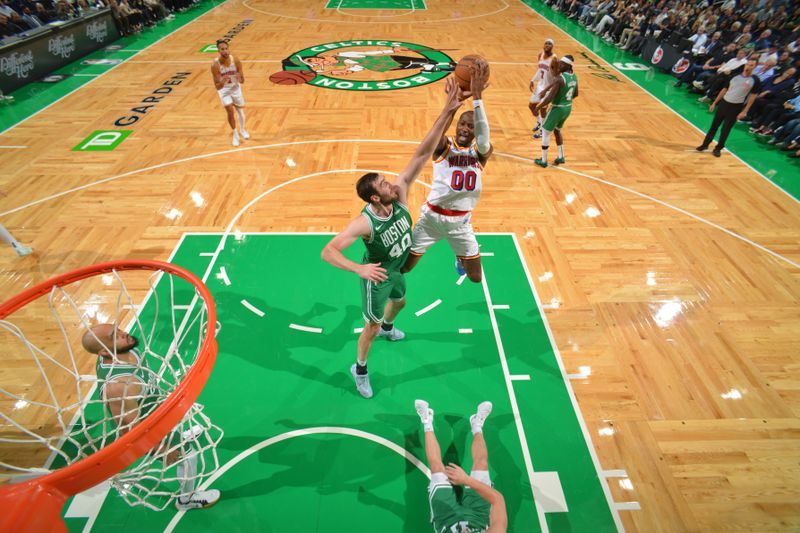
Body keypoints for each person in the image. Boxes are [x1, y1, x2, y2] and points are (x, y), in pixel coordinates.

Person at [321, 79, 466, 399]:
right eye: (384, 185)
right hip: (378, 277)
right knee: (369, 329)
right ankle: (359, 369)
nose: (392, 184)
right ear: (374, 198)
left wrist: (449, 110)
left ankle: (389, 327)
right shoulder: (365, 222)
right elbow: (328, 251)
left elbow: (422, 153)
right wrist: (358, 270)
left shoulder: (398, 198)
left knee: (400, 301)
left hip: (398, 270)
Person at [81, 324, 220, 510]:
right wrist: (160, 448)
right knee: (189, 456)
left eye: (118, 329)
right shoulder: (119, 386)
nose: (124, 334)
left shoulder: (126, 348)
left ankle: (180, 436)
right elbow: (129, 428)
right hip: (147, 425)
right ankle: (187, 499)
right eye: (115, 335)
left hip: (153, 405)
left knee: (178, 423)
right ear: (103, 351)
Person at [401, 59, 492, 283]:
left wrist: (478, 98)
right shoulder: (444, 147)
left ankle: (459, 258)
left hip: (460, 223)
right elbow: (435, 133)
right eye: (462, 124)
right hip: (431, 219)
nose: (465, 128)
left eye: (470, 126)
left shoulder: (481, 152)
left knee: (475, 278)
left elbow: (484, 136)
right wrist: (453, 104)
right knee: (404, 268)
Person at [415, 399, 507, 533]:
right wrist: (467, 480)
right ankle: (476, 425)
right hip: (478, 516)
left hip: (447, 519)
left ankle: (427, 421)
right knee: (481, 463)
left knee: (437, 468)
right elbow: (498, 500)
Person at [696, 59, 760, 157]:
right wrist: (715, 102)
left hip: (736, 107)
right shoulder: (734, 76)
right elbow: (724, 89)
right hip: (724, 104)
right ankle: (705, 145)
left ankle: (718, 148)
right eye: (748, 64)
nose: (748, 66)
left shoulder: (755, 80)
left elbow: (753, 96)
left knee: (725, 129)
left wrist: (745, 111)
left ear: (755, 67)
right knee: (714, 126)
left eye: (751, 65)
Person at [533, 55, 578, 168]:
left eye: (562, 64)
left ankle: (543, 160)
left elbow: (549, 98)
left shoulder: (560, 78)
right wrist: (564, 98)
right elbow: (576, 94)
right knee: (557, 131)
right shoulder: (574, 76)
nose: (559, 65)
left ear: (568, 65)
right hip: (567, 108)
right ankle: (560, 156)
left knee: (545, 132)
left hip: (557, 108)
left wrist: (538, 107)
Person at [211, 39, 248, 147]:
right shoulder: (215, 65)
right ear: (218, 51)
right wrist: (222, 81)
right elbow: (217, 87)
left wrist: (239, 77)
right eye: (222, 49)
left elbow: (243, 81)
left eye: (226, 48)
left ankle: (242, 130)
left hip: (235, 88)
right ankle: (235, 134)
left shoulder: (235, 60)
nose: (225, 51)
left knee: (240, 111)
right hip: (224, 91)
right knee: (230, 111)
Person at [528, 38, 557, 138]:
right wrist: (532, 80)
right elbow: (540, 70)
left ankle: (542, 131)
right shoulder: (540, 55)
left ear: (552, 46)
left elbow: (557, 76)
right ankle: (539, 122)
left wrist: (552, 89)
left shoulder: (554, 59)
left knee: (543, 109)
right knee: (531, 106)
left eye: (549, 44)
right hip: (540, 86)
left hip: (548, 88)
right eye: (546, 43)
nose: (547, 45)